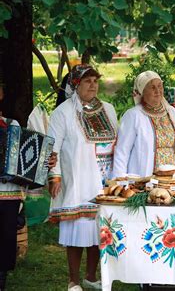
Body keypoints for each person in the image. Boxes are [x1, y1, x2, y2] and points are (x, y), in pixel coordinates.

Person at [48, 64, 117, 291]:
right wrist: (54, 176)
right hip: (77, 177)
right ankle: (73, 280)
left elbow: (117, 142)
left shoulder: (108, 109)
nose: (93, 85)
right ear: (76, 84)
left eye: (95, 81)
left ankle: (91, 276)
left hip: (103, 179)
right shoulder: (64, 112)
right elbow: (52, 147)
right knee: (77, 230)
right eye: (87, 81)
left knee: (98, 230)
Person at [0, 85, 57, 291]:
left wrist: (46, 160)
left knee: (6, 241)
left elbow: (29, 157)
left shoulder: (11, 125)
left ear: (1, 94)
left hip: (9, 194)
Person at [113, 71, 175, 178]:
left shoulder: (173, 113)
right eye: (152, 87)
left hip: (174, 181)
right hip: (144, 182)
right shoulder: (133, 115)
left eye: (160, 86)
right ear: (142, 92)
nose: (158, 91)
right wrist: (120, 181)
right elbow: (122, 151)